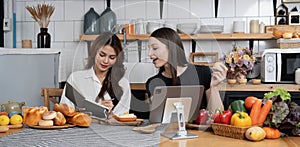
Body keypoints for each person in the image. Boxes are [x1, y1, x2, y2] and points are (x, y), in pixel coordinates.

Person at [146, 27, 227, 113]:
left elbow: (217, 114)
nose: (149, 54)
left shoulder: (202, 72)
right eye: (149, 49)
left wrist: (213, 87)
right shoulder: (153, 83)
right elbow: (157, 119)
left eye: (154, 48)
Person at [60, 32, 131, 115]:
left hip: (112, 128)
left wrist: (111, 114)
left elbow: (123, 117)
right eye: (102, 55)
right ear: (94, 53)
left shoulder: (123, 83)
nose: (106, 61)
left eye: (112, 57)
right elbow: (65, 112)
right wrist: (95, 111)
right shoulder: (75, 79)